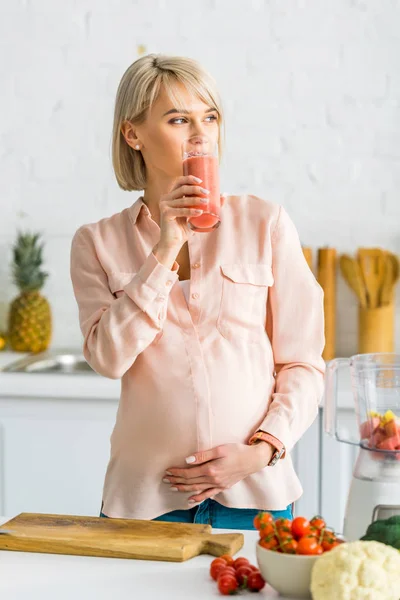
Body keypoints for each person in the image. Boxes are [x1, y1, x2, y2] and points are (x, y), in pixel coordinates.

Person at [70, 54, 325, 530]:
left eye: (210, 117)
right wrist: (164, 249)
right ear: (133, 134)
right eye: (178, 119)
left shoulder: (265, 223)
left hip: (256, 496)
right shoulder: (96, 242)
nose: (201, 133)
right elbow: (107, 359)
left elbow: (303, 363)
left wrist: (262, 451)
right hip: (145, 500)